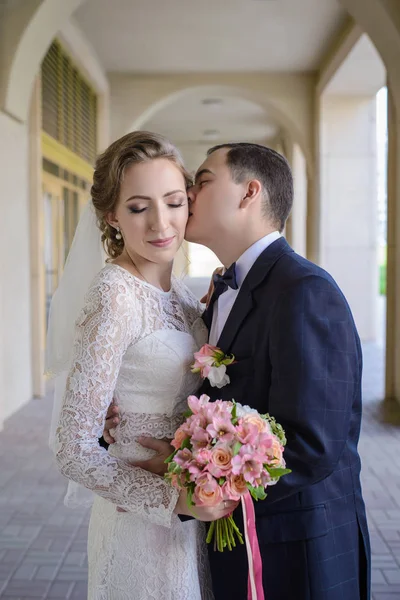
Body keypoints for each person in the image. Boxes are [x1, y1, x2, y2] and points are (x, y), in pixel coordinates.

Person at [106, 143, 371, 600]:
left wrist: (188, 482)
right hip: (232, 545)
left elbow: (313, 444)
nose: (188, 195)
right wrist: (122, 413)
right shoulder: (222, 289)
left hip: (296, 550)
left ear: (250, 193)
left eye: (202, 181)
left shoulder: (304, 291)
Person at [49, 131, 236, 600]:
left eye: (174, 202)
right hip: (140, 519)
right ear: (112, 215)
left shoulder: (183, 296)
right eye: (138, 207)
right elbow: (73, 448)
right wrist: (174, 497)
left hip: (189, 517)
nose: (161, 223)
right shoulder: (114, 295)